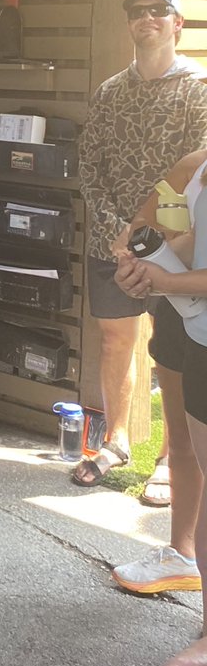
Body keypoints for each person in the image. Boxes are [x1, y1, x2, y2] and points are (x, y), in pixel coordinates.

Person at [76, 0, 207, 492]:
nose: (146, 19)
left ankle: (170, 462)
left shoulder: (198, 90)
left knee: (171, 354)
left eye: (158, 11)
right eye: (137, 11)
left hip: (177, 248)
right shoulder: (110, 91)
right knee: (115, 339)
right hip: (112, 242)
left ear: (177, 23)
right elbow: (91, 167)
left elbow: (195, 174)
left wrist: (155, 244)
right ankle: (116, 440)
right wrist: (117, 235)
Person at [109, 150, 205, 595]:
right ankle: (182, 554)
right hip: (181, 318)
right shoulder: (196, 164)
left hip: (187, 302)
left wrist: (164, 280)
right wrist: (142, 270)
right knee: (182, 437)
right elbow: (169, 238)